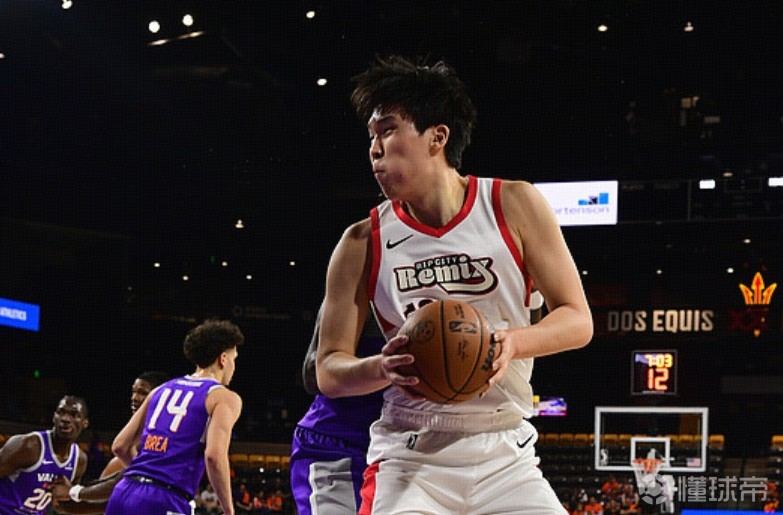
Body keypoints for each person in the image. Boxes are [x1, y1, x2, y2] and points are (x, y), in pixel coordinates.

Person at [316, 55, 593, 514]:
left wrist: (512, 342)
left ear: (437, 137)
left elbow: (578, 320)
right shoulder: (361, 241)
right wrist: (382, 367)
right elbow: (329, 371)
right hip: (409, 451)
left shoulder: (513, 203)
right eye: (371, 137)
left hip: (505, 452)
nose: (374, 149)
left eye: (387, 130)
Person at [104, 319, 244, 515]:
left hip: (124, 491)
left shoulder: (161, 389)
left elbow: (120, 446)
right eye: (234, 359)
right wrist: (229, 510)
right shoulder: (224, 397)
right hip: (165, 499)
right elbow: (214, 456)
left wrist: (145, 477)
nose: (234, 366)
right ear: (223, 358)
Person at [290, 305, 385, 514]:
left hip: (404, 447)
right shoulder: (363, 294)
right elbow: (312, 375)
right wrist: (383, 367)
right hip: (340, 443)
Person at [49, 371, 170, 513]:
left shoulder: (162, 436)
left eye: (143, 393)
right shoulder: (142, 437)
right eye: (134, 392)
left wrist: (73, 492)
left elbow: (120, 456)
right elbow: (107, 494)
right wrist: (71, 498)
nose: (134, 398)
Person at [0, 395, 90, 515]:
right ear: (54, 417)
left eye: (74, 415)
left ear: (85, 423)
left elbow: (64, 506)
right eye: (61, 413)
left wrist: (70, 492)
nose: (65, 419)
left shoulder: (80, 460)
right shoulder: (28, 445)